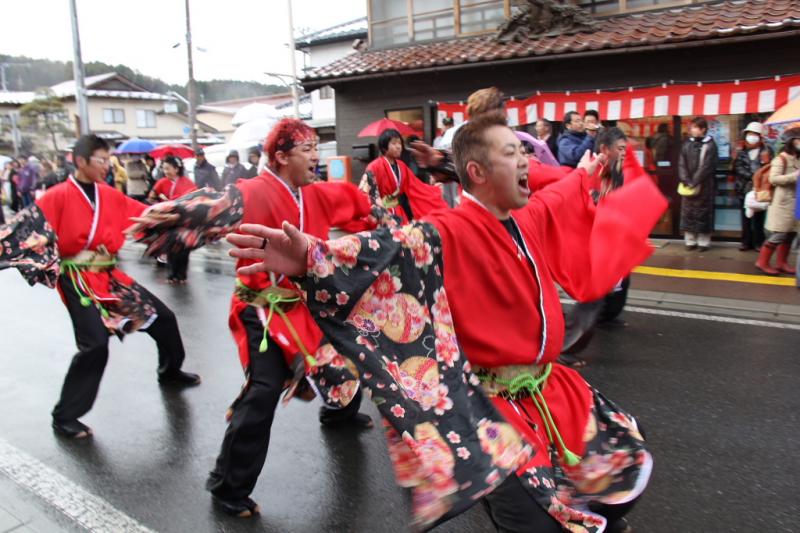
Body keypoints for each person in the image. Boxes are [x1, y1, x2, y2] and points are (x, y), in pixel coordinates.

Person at [229, 111, 665, 532]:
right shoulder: (443, 233)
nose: (526, 160)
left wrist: (591, 170)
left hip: (549, 387)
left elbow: (563, 193)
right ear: (476, 171)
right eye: (512, 152)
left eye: (523, 152)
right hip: (491, 408)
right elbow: (388, 248)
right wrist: (311, 256)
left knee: (624, 454)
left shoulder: (526, 215)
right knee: (532, 516)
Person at [128, 118, 376, 518]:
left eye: (316, 147)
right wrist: (165, 220)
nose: (316, 156)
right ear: (280, 157)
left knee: (354, 351)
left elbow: (364, 209)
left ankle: (338, 413)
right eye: (307, 149)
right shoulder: (249, 193)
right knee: (263, 389)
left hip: (307, 306)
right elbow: (201, 212)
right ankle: (228, 485)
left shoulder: (318, 195)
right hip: (260, 306)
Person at [0, 135, 201, 440]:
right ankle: (64, 416)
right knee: (95, 344)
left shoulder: (108, 194)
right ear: (80, 161)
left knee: (164, 318)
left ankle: (170, 372)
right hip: (77, 279)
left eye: (109, 160)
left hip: (108, 276)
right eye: (101, 160)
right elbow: (22, 230)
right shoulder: (56, 196)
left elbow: (143, 215)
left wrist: (184, 212)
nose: (107, 166)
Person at [363, 128, 447, 224]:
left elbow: (416, 187)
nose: (399, 146)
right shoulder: (374, 167)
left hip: (399, 212)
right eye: (394, 143)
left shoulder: (402, 166)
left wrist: (434, 190)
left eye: (400, 143)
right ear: (384, 147)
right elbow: (366, 193)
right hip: (381, 214)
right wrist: (379, 210)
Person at [756, 127, 800, 275]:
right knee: (779, 234)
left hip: (795, 203)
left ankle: (782, 263)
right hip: (782, 203)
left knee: (790, 233)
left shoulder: (798, 157)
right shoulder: (781, 158)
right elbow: (773, 179)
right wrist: (795, 176)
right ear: (791, 141)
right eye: (798, 139)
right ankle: (762, 262)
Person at [149, 156, 198, 284]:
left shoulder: (187, 182)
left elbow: (194, 199)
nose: (165, 171)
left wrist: (175, 202)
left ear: (176, 169)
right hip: (168, 220)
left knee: (184, 248)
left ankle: (181, 275)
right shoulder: (162, 182)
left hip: (184, 220)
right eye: (164, 169)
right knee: (171, 247)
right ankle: (171, 275)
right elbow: (151, 197)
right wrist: (161, 203)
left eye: (168, 168)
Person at [678, 116, 718, 251]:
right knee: (688, 213)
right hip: (688, 185)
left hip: (704, 185)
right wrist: (686, 180)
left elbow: (707, 166)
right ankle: (690, 241)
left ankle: (703, 242)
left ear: (703, 129)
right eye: (692, 127)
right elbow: (681, 164)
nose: (692, 130)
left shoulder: (710, 145)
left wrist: (694, 181)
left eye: (695, 127)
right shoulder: (687, 144)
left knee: (703, 214)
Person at [733, 122, 772, 251]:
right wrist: (753, 175)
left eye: (754, 134)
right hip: (743, 187)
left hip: (760, 189)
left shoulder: (766, 150)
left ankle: (758, 242)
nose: (752, 137)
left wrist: (759, 176)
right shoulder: (740, 150)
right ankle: (745, 242)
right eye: (750, 134)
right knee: (745, 217)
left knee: (759, 217)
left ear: (760, 136)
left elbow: (769, 167)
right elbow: (737, 167)